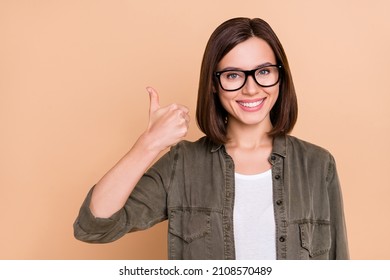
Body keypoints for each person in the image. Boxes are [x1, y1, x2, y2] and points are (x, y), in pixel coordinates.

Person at [74, 17, 349, 260]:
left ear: (281, 77)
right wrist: (149, 143)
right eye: (233, 75)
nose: (251, 89)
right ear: (214, 86)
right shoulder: (182, 165)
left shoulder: (318, 165)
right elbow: (95, 227)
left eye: (264, 72)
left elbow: (339, 262)